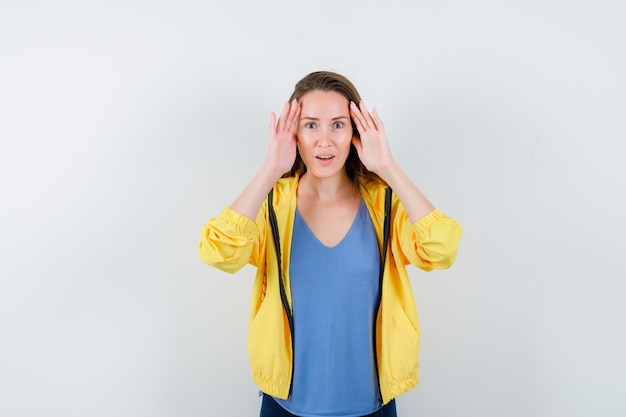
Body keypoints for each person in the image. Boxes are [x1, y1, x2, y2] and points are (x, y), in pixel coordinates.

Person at [198, 71, 462, 417]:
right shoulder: (273, 205)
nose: (325, 141)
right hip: (285, 406)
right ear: (294, 133)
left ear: (355, 131)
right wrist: (270, 169)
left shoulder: (383, 205)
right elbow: (218, 254)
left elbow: (441, 250)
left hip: (373, 406)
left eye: (338, 125)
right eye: (311, 125)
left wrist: (388, 166)